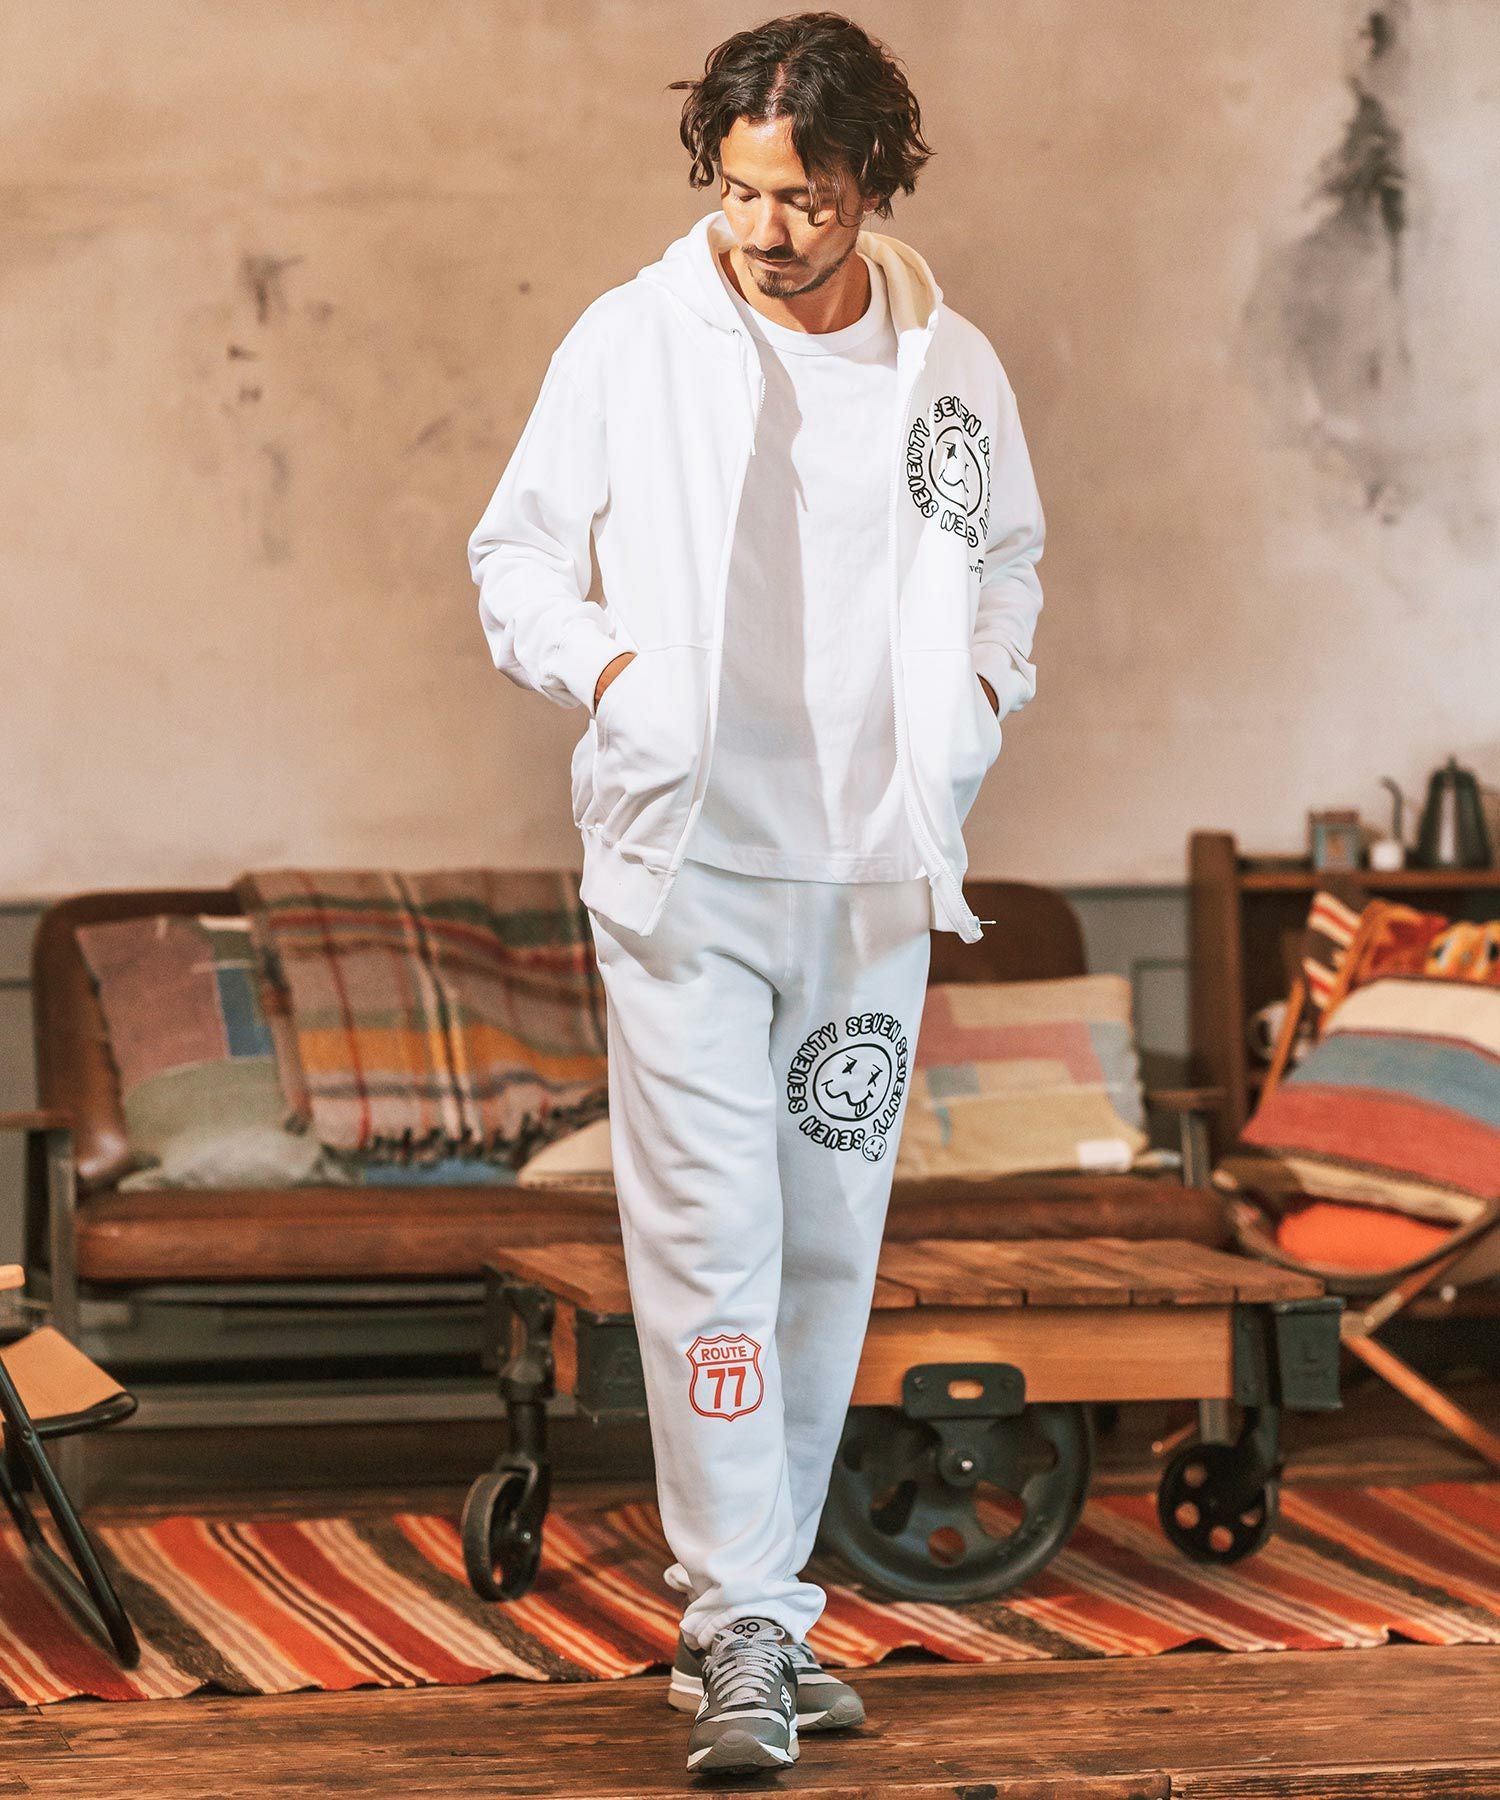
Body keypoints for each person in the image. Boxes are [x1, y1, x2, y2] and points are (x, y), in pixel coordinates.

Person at [468, 10, 1045, 1773]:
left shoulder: (951, 366)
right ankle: (735, 1622)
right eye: (737, 188)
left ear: (873, 179)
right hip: (688, 873)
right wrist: (622, 679)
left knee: (823, 1256)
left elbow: (1008, 562)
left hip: (870, 877)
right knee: (710, 1244)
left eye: (804, 195)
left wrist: (978, 700)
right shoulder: (632, 340)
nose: (766, 228)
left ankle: (762, 1618)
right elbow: (513, 559)